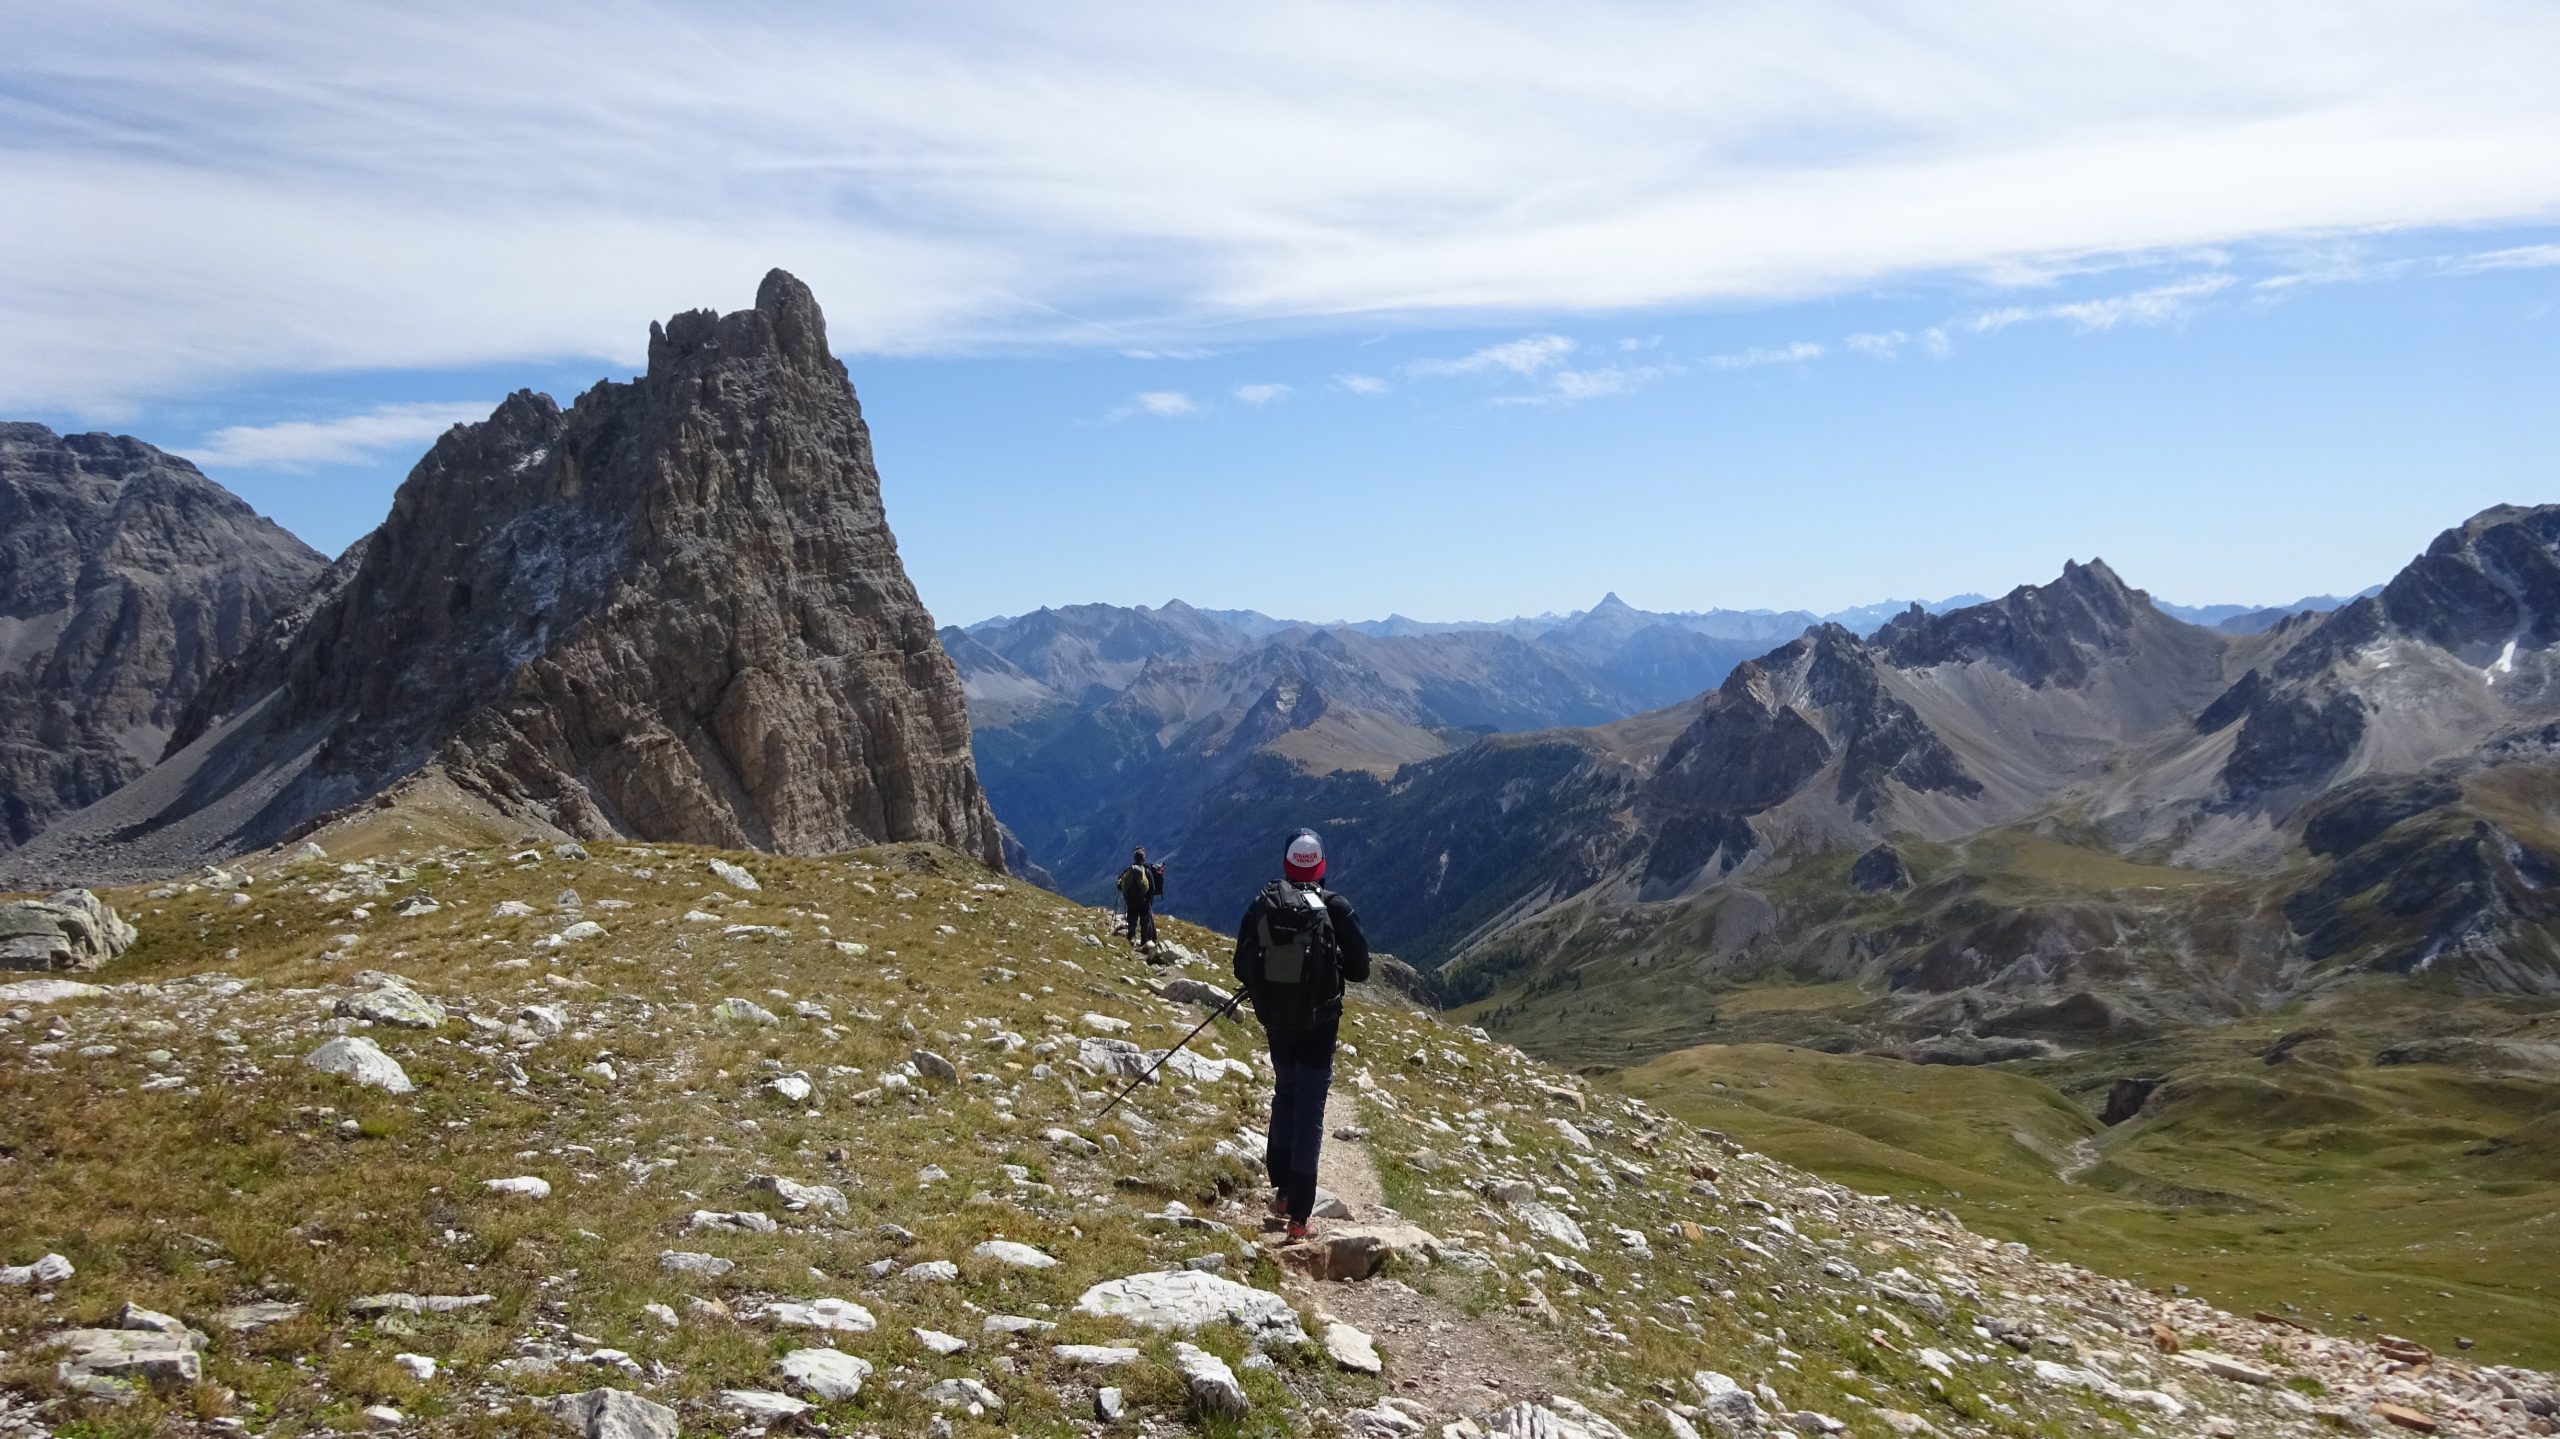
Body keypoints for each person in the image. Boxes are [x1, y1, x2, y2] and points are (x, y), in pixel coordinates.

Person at [1231, 828, 1370, 1239]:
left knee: (1285, 1091)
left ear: (1286, 864)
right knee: (1310, 1106)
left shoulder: (1265, 903)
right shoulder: (1335, 907)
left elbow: (1242, 965)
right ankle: (1299, 1217)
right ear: (1322, 865)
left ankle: (1282, 1192)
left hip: (1276, 1020)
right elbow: (1361, 970)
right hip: (1320, 1022)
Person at [1116, 847, 1158, 949]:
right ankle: (1144, 943)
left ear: (1134, 858)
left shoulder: (1129, 870)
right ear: (1143, 858)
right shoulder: (1147, 871)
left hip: (1131, 901)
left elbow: (1119, 884)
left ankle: (1131, 939)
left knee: (1132, 922)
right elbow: (1153, 888)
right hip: (1143, 902)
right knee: (1144, 923)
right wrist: (1148, 899)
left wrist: (1127, 894)